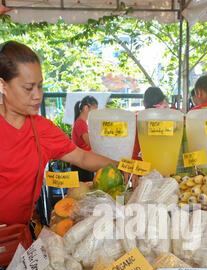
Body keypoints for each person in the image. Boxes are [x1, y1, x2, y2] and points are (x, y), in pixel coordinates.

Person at [0, 41, 120, 227]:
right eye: (28, 88)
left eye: (40, 86)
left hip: (17, 237)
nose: (37, 95)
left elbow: (81, 157)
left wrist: (121, 166)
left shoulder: (42, 129)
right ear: (3, 85)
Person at [132, 86, 168, 160]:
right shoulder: (165, 122)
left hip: (135, 165)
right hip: (158, 163)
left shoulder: (135, 119)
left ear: (144, 103)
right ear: (162, 102)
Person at [71, 95, 98, 182]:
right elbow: (90, 144)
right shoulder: (80, 123)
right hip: (81, 164)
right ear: (86, 108)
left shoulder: (81, 122)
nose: (95, 113)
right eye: (94, 110)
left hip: (83, 161)